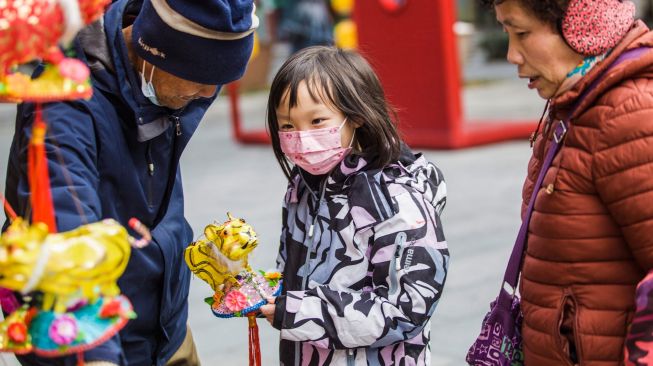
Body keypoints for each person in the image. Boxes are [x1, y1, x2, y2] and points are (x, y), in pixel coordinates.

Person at [3, 0, 258, 365]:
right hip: (91, 339)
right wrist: (97, 353)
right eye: (201, 79)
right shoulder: (65, 104)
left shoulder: (171, 78)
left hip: (167, 329)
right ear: (156, 51)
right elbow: (65, 224)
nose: (207, 94)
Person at [481, 0, 653, 364]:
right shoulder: (575, 105)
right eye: (506, 34)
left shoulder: (628, 115)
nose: (512, 55)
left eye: (522, 33)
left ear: (584, 24)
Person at [258, 46, 449, 365]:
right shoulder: (302, 186)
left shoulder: (393, 200)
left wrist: (297, 312)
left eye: (317, 121)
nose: (301, 138)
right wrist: (268, 289)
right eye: (288, 126)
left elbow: (407, 308)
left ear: (357, 115)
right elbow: (292, 268)